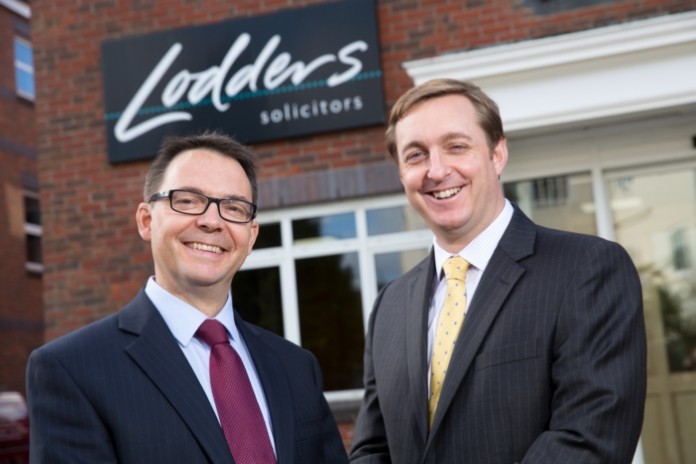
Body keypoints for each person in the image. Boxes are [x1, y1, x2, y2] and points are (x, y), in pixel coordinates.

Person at [349, 79, 647, 463]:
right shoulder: (389, 306)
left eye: (456, 146)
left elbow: (589, 438)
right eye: (416, 155)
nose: (436, 170)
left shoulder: (587, 269)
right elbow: (373, 449)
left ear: (498, 154)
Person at [26, 131, 348, 464]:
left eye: (234, 207)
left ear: (251, 236)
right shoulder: (72, 369)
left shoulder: (296, 367)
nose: (212, 221)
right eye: (188, 201)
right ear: (146, 221)